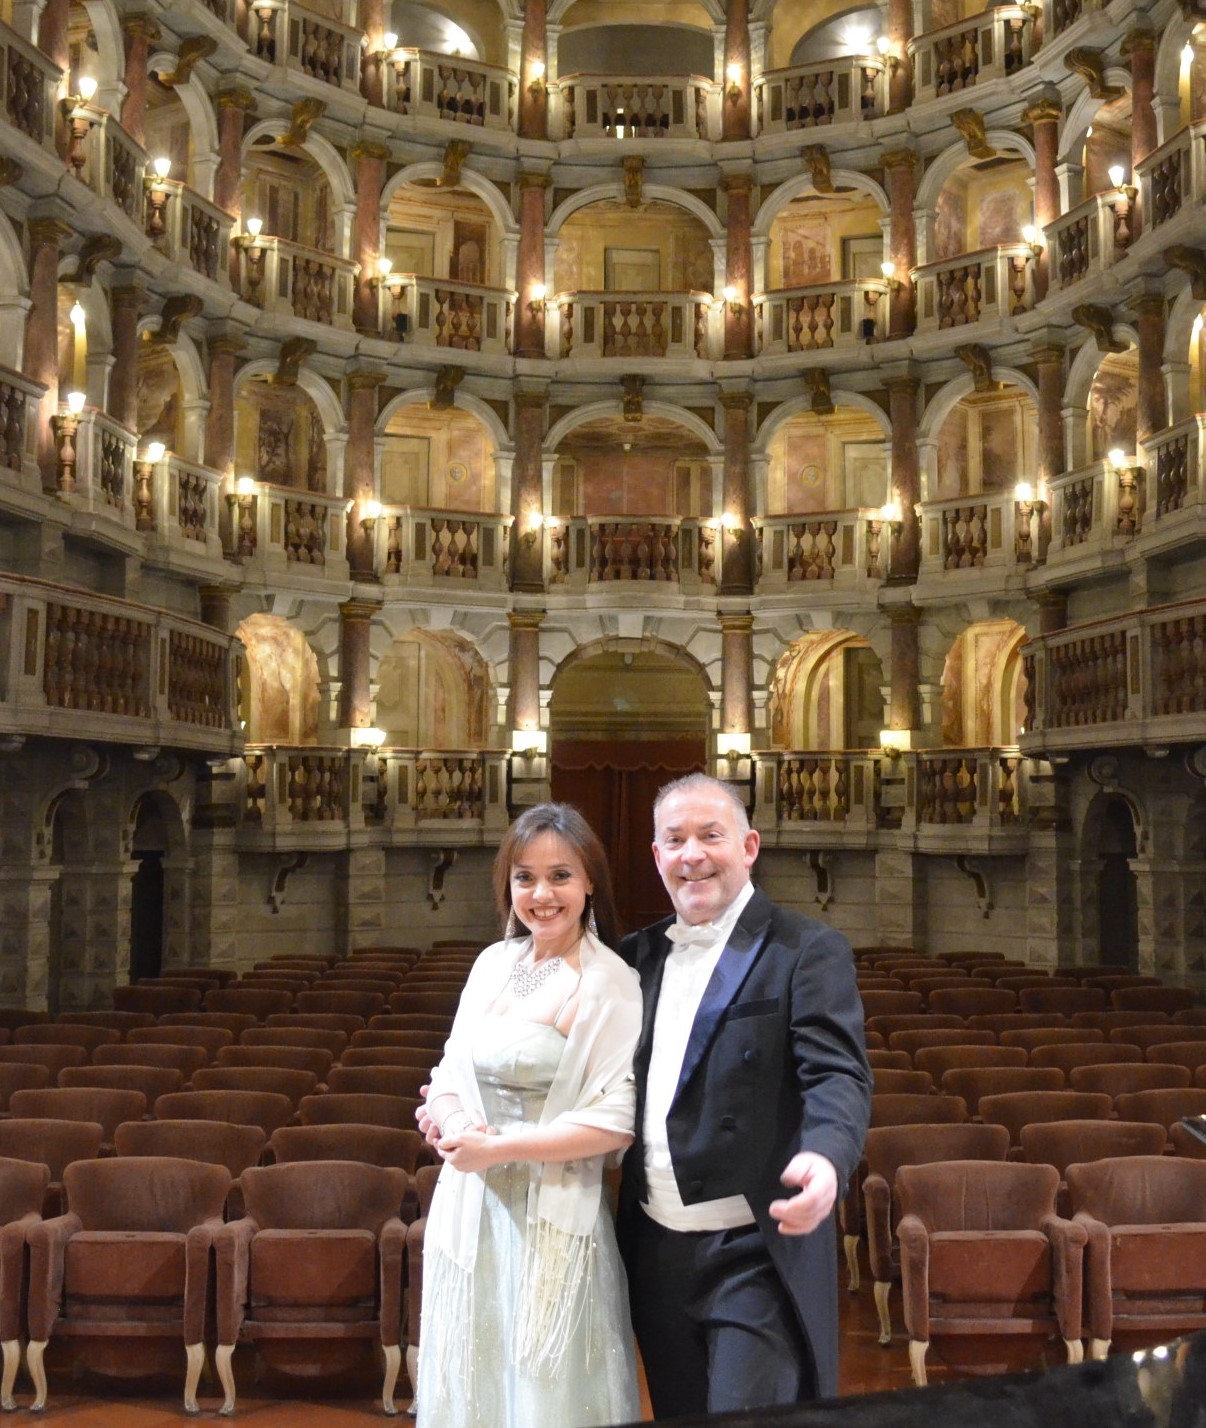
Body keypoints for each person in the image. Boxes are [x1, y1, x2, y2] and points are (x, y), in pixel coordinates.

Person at [616, 772, 873, 1418]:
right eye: (674, 840)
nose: (692, 854)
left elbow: (837, 1076)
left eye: (710, 835)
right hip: (656, 1253)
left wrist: (826, 1157)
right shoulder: (634, 958)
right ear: (657, 856)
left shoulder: (805, 950)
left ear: (749, 846)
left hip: (754, 1251)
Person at [416, 803, 643, 1428]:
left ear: (590, 881)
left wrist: (498, 1148)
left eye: (560, 876)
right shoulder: (493, 963)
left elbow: (617, 1121)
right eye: (525, 877)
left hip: (552, 1220)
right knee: (472, 1386)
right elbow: (446, 1074)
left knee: (547, 1395)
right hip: (470, 1212)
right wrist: (448, 1118)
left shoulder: (609, 982)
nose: (542, 894)